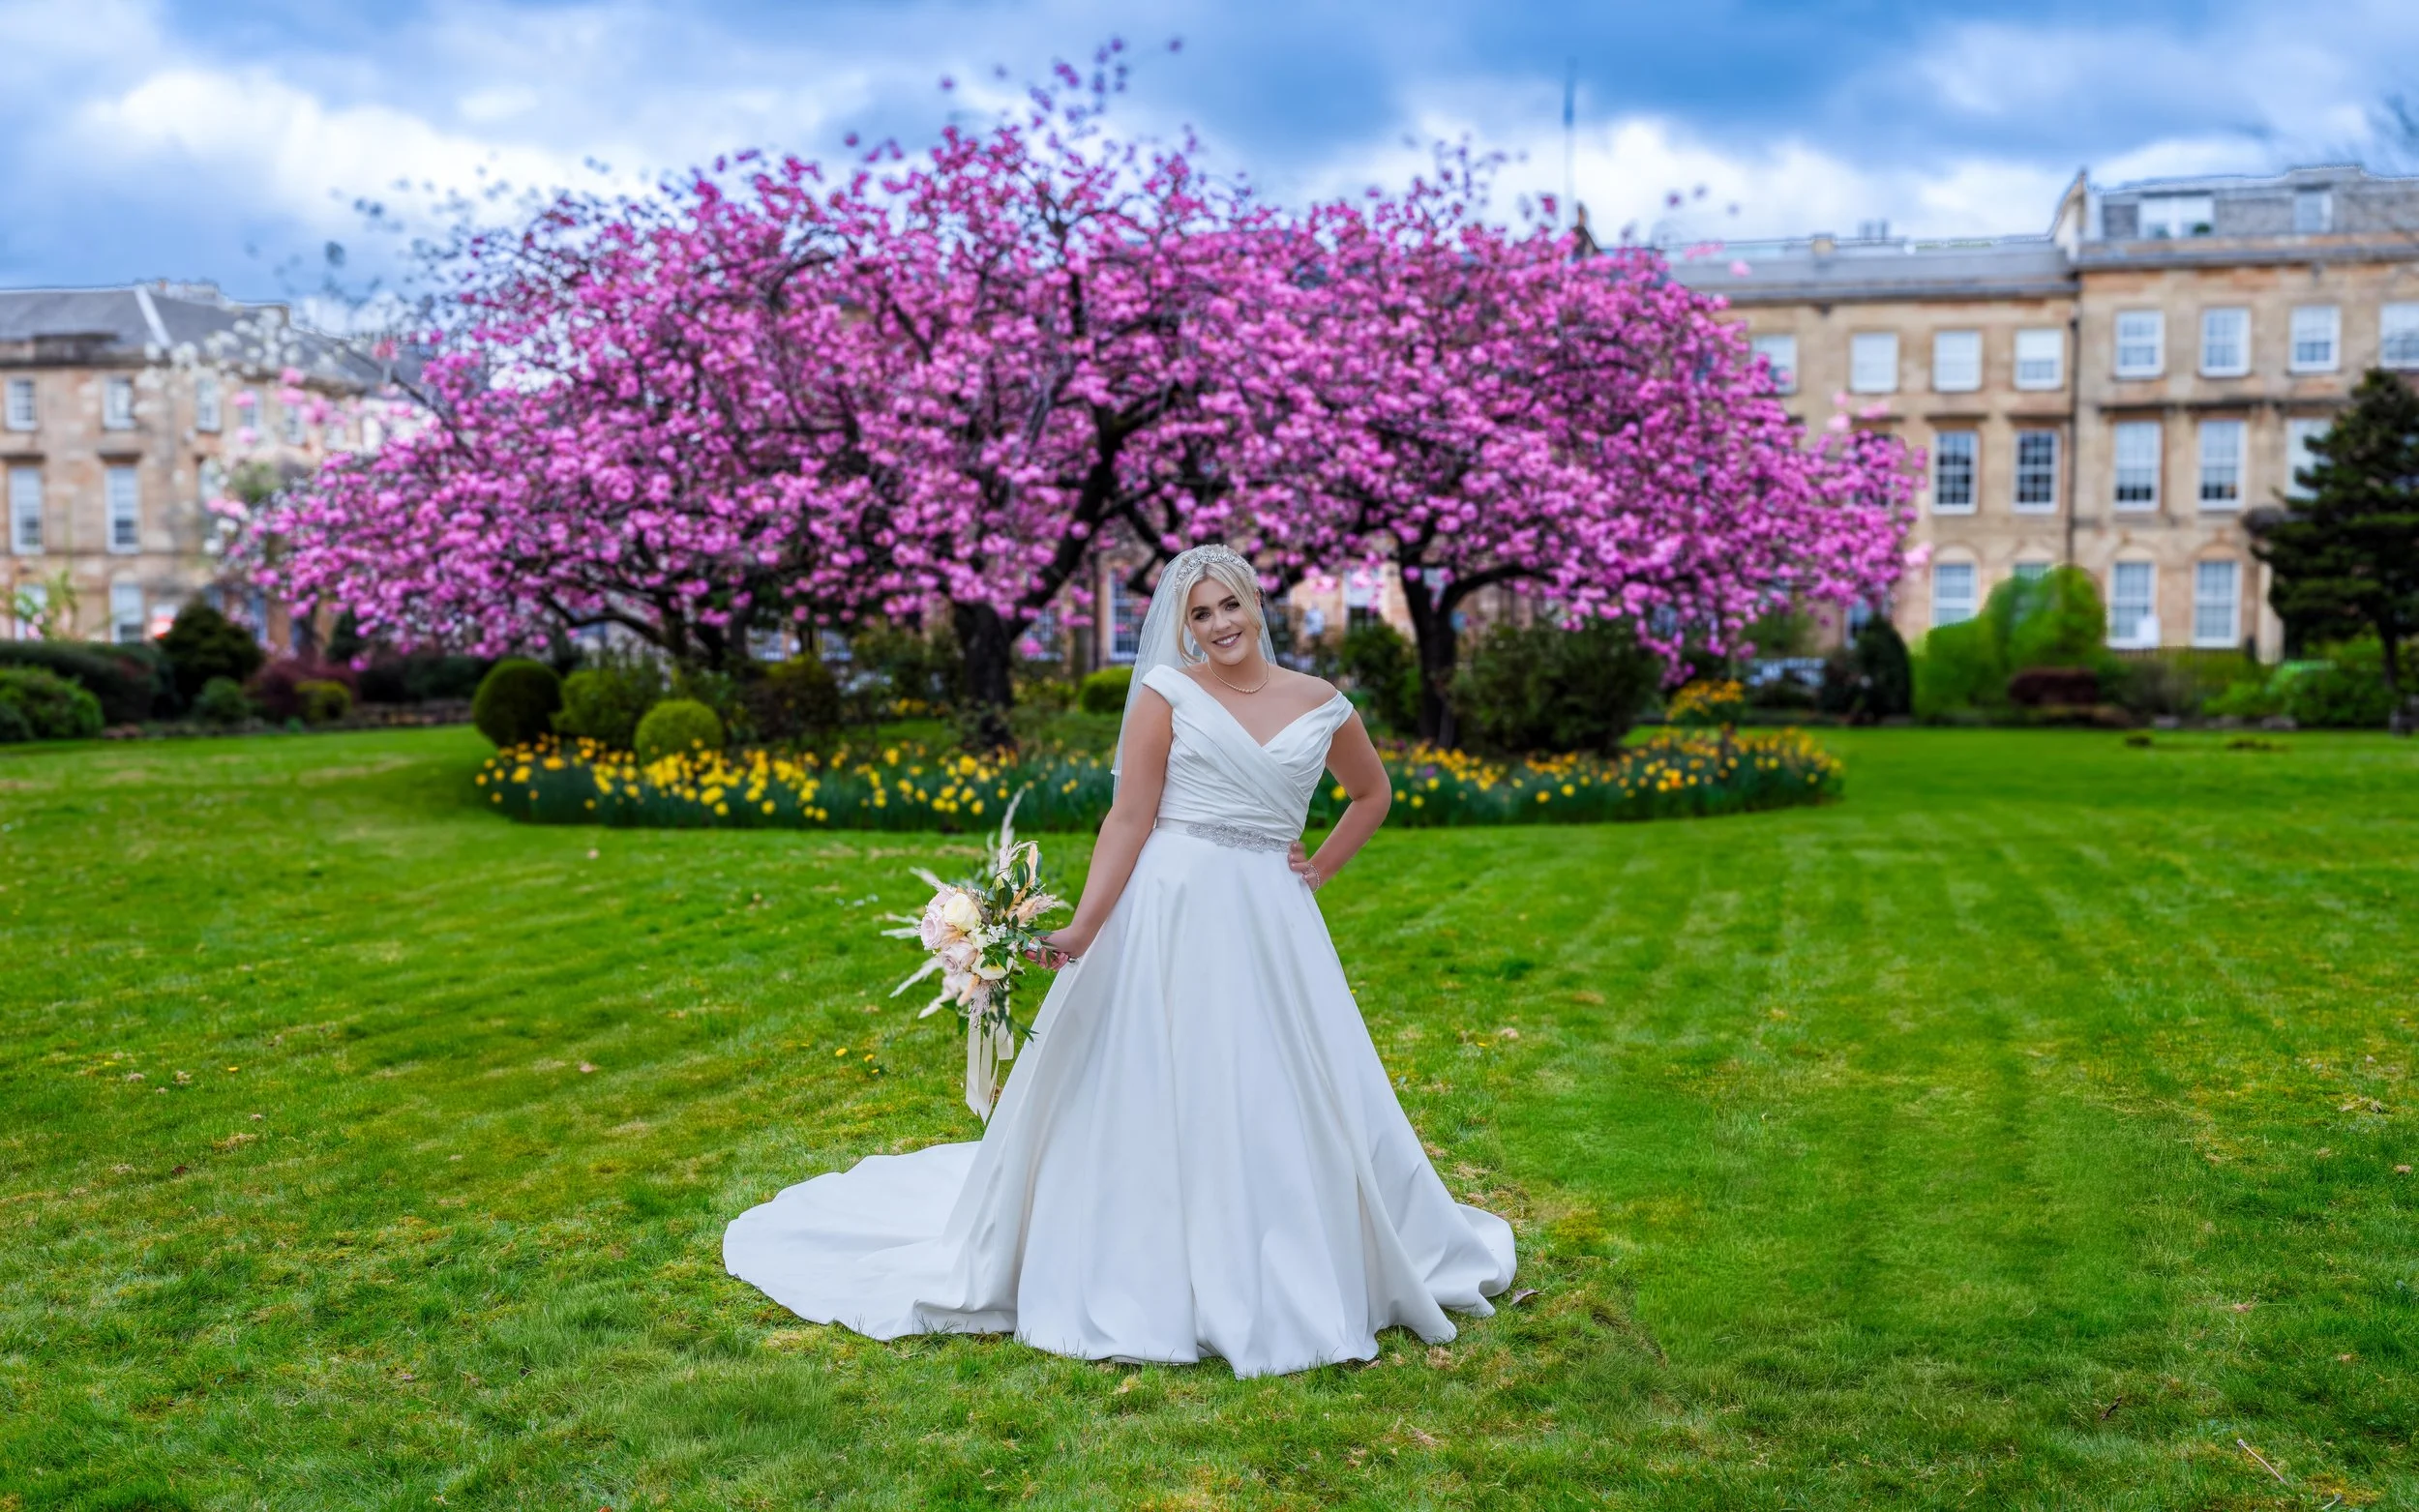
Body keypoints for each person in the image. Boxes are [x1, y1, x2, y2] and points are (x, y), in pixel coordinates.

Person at [723, 544, 1515, 1378]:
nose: (1218, 625)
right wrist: (1086, 927)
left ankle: (1293, 1243)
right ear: (1183, 626)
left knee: (1280, 1075)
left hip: (1272, 918)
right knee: (1157, 1075)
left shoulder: (1321, 702)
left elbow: (1372, 793)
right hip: (1168, 906)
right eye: (1199, 614)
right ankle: (1150, 1254)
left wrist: (1318, 865)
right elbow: (1128, 819)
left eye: (1229, 606)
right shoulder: (1168, 694)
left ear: (1255, 604)